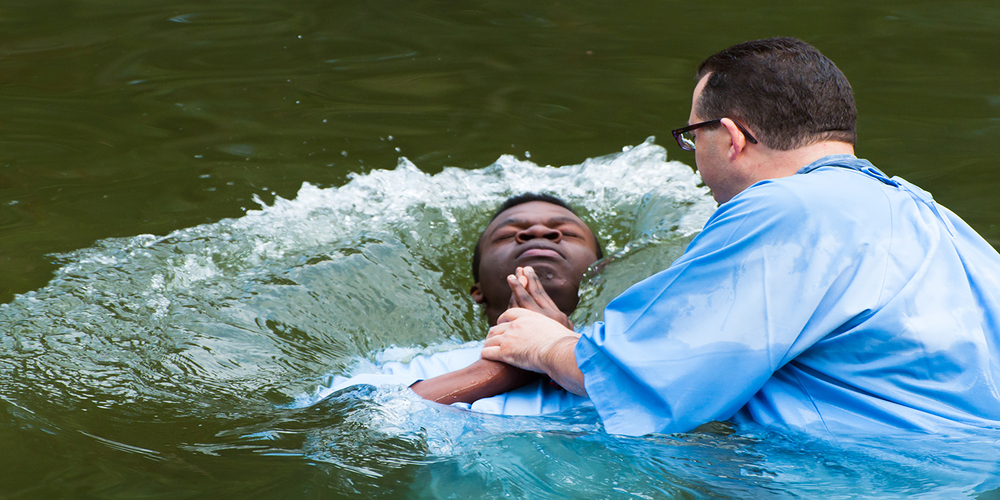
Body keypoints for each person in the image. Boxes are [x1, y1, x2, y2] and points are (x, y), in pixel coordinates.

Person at [481, 37, 1000, 436]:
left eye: (692, 137)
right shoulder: (937, 218)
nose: (695, 160)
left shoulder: (783, 208)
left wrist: (549, 346)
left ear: (730, 137)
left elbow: (656, 378)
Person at [292, 193, 600, 415]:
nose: (537, 232)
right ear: (477, 291)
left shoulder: (622, 343)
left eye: (567, 233)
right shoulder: (412, 367)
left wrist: (554, 351)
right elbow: (332, 422)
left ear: (599, 277)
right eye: (508, 234)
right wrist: (498, 372)